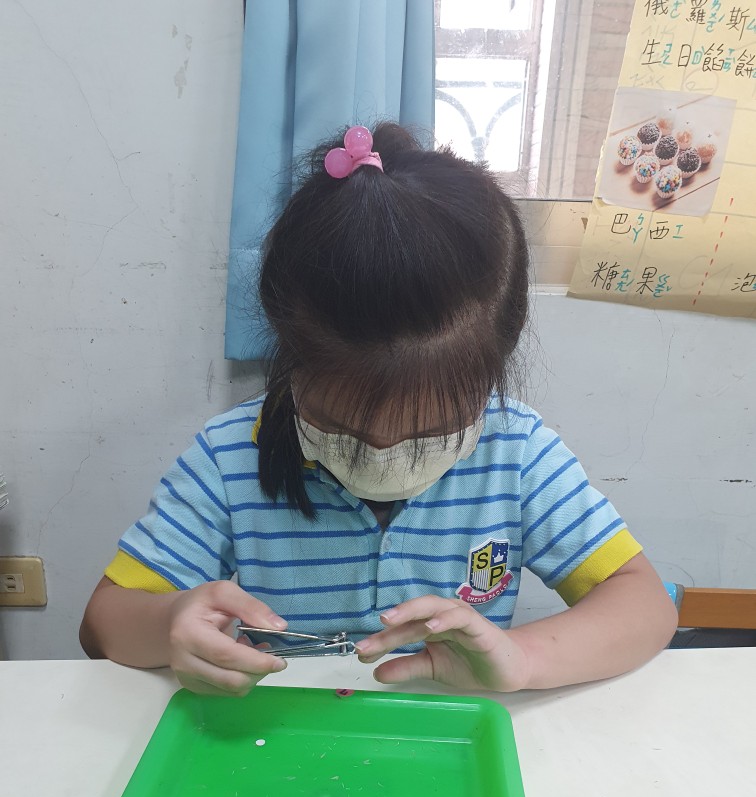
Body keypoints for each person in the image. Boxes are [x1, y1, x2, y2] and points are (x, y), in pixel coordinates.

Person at [80, 122, 677, 695]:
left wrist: (523, 659)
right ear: (288, 358)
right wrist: (171, 624)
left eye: (429, 434)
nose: (384, 458)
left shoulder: (515, 453)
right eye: (341, 429)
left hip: (450, 738)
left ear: (493, 373)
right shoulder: (231, 455)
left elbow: (644, 604)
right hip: (285, 741)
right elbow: (103, 623)